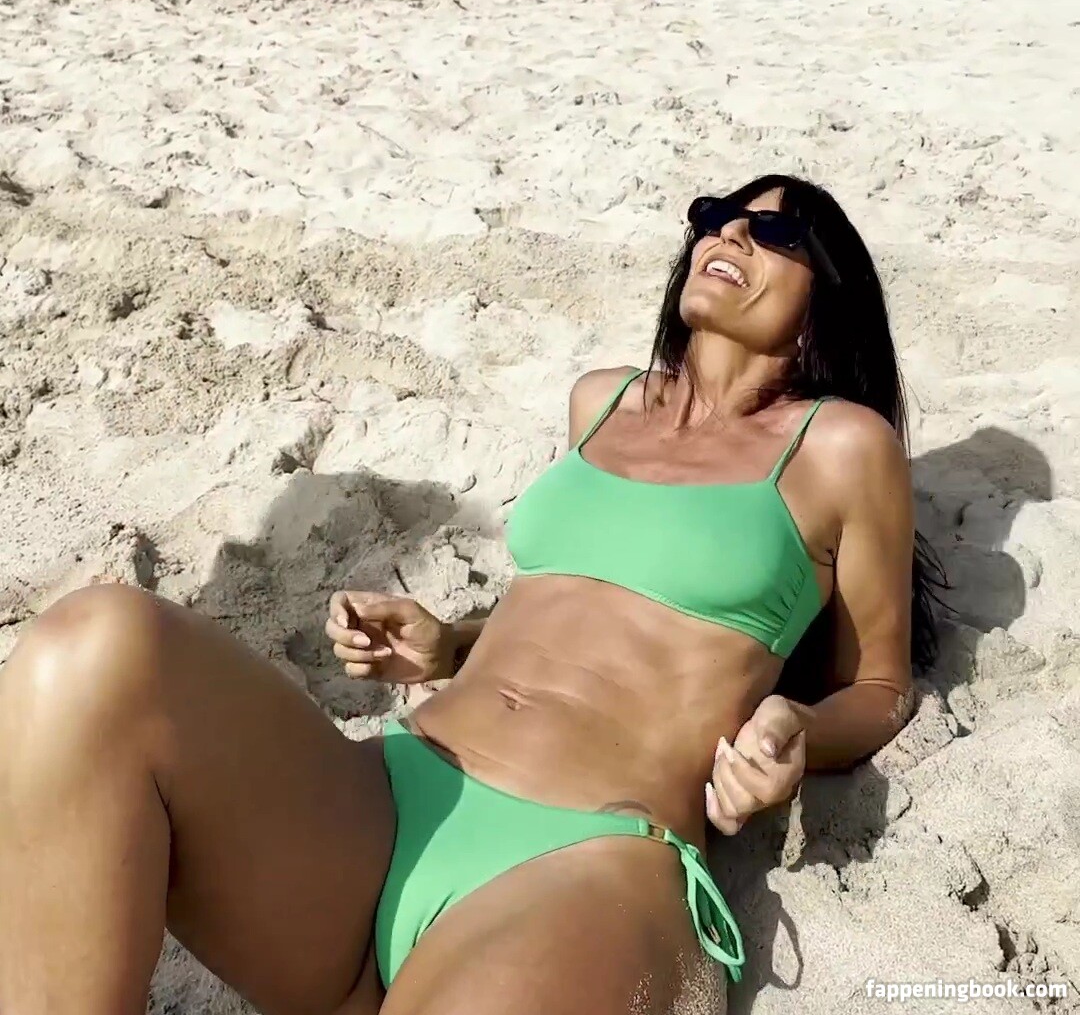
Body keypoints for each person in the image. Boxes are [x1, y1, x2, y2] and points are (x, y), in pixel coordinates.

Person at [0, 175, 941, 1015]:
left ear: (825, 301)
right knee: (94, 643)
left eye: (772, 232)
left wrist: (796, 728)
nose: (729, 233)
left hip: (586, 859)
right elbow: (598, 601)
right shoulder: (603, 401)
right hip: (396, 798)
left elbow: (879, 686)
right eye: (718, 216)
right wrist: (453, 644)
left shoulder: (842, 446)